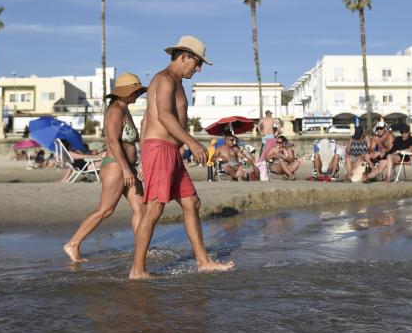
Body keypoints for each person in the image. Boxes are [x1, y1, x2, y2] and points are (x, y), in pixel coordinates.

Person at [130, 36, 234, 279]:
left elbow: (146, 119)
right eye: (197, 63)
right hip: (160, 150)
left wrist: (175, 148)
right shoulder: (164, 80)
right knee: (154, 209)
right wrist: (191, 142)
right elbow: (164, 117)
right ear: (184, 56)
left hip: (169, 153)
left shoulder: (176, 82)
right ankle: (137, 270)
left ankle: (203, 261)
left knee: (191, 203)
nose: (198, 69)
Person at [64, 73, 148, 263]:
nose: (138, 95)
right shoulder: (115, 110)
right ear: (125, 92)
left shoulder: (125, 109)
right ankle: (73, 244)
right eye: (135, 91)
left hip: (127, 167)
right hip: (117, 167)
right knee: (105, 210)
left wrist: (136, 165)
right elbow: (112, 141)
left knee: (141, 208)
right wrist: (126, 169)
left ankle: (141, 248)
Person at [256, 110, 280, 179]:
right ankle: (264, 165)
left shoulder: (263, 120)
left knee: (265, 151)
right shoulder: (272, 119)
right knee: (267, 151)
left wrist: (261, 132)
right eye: (271, 114)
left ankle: (264, 164)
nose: (271, 115)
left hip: (266, 135)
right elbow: (279, 124)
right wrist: (277, 132)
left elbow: (258, 125)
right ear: (269, 114)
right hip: (269, 136)